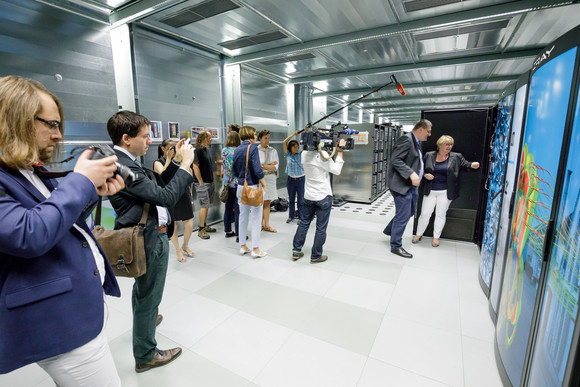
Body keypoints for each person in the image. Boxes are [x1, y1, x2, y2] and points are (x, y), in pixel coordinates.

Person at [0, 76, 125, 385]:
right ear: (17, 120)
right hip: (59, 323)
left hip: (74, 308)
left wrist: (93, 191)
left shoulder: (26, 170)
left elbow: (57, 220)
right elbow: (28, 234)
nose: (58, 135)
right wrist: (81, 181)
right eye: (51, 125)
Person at [107, 110, 195, 373]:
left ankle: (144, 323)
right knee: (149, 295)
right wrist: (187, 165)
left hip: (146, 234)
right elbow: (166, 198)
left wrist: (177, 161)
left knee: (144, 291)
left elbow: (158, 188)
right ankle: (146, 354)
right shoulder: (122, 166)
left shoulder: (126, 161)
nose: (149, 141)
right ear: (126, 138)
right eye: (145, 137)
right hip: (147, 238)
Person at [412, 135, 480, 247]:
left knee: (440, 214)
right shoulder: (429, 155)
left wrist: (473, 165)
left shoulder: (456, 156)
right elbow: (420, 168)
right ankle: (418, 234)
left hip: (445, 192)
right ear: (440, 145)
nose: (449, 146)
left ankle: (436, 238)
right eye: (447, 144)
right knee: (425, 214)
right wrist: (424, 175)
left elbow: (466, 164)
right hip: (430, 190)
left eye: (451, 144)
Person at [292, 134, 345, 264]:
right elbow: (336, 170)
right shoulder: (322, 157)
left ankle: (296, 250)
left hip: (308, 196)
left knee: (304, 223)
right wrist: (340, 152)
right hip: (323, 196)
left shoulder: (304, 154)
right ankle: (315, 256)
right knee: (321, 228)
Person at [383, 119, 432, 259]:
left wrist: (421, 173)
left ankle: (390, 230)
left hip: (411, 185)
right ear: (420, 129)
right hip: (401, 185)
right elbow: (395, 159)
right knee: (403, 215)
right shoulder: (406, 139)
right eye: (428, 131)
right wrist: (411, 173)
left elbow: (414, 161)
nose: (429, 135)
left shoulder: (416, 142)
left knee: (410, 212)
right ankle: (396, 246)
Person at [154, 139, 195, 262]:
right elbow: (163, 176)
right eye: (170, 147)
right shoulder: (158, 162)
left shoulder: (181, 160)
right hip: (170, 194)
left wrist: (191, 194)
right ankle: (178, 250)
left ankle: (185, 245)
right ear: (163, 148)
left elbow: (189, 175)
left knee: (189, 223)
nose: (173, 149)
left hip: (183, 193)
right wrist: (168, 159)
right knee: (174, 224)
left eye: (174, 147)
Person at [232, 126, 267, 258]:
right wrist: (263, 182)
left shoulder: (237, 149)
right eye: (254, 133)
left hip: (241, 187)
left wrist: (241, 178)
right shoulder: (252, 148)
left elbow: (234, 170)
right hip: (252, 187)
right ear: (250, 134)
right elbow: (257, 168)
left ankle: (243, 246)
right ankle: (256, 249)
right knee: (257, 218)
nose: (256, 135)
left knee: (243, 217)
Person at [193, 130, 216, 239]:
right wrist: (200, 181)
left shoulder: (205, 149)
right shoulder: (197, 149)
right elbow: (195, 166)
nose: (211, 139)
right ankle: (200, 229)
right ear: (204, 138)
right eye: (209, 137)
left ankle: (204, 225)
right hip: (202, 183)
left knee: (206, 206)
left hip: (209, 181)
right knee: (204, 205)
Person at [257, 129, 279, 233]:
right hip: (260, 178)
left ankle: (267, 225)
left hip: (270, 178)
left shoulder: (273, 151)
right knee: (260, 202)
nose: (267, 140)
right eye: (265, 138)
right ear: (260, 138)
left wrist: (264, 166)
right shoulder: (256, 150)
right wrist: (269, 165)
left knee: (268, 202)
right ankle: (260, 225)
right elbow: (257, 167)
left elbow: (275, 167)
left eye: (268, 138)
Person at [221, 131, 241, 239]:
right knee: (238, 210)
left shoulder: (224, 150)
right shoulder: (238, 151)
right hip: (237, 183)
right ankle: (239, 234)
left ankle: (228, 231)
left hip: (227, 182)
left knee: (228, 208)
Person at [283, 130, 305, 223]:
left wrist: (303, 134)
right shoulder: (288, 154)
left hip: (300, 179)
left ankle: (301, 217)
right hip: (290, 180)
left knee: (300, 200)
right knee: (291, 199)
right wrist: (293, 135)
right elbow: (284, 142)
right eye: (294, 147)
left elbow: (305, 144)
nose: (296, 148)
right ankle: (291, 216)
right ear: (290, 148)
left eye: (297, 147)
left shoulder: (301, 155)